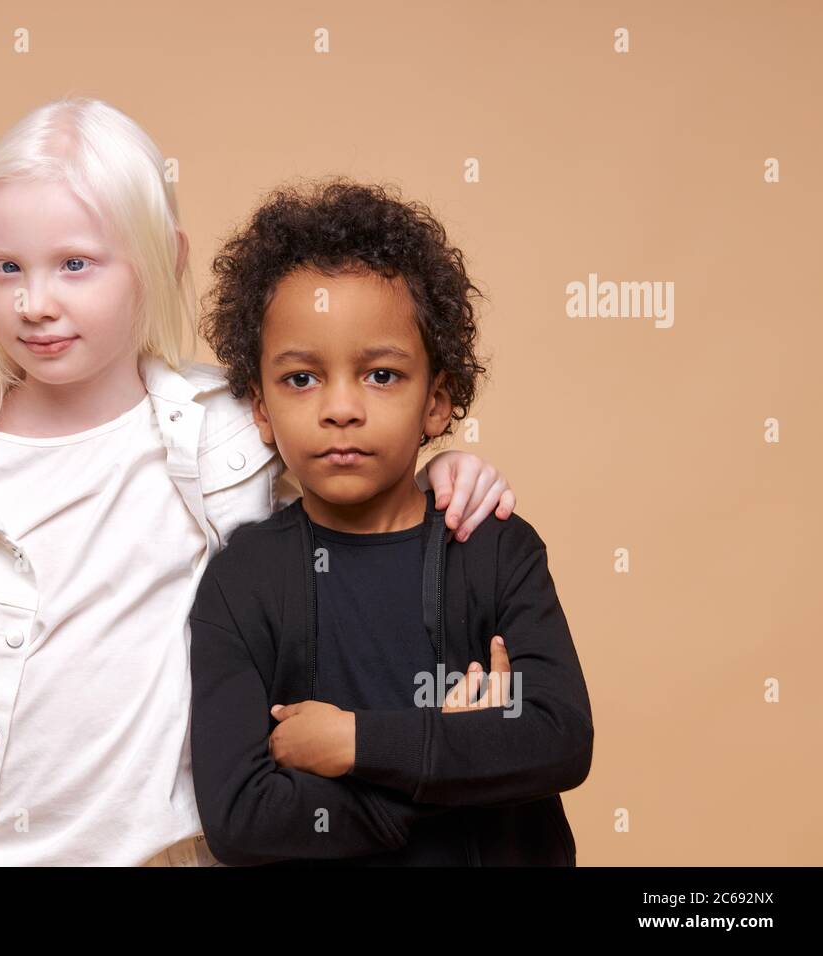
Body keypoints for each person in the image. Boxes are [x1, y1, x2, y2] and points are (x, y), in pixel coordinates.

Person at [0, 99, 517, 866]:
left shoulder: (236, 431)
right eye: (6, 268)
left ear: (164, 257)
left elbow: (357, 497)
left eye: (75, 263)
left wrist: (439, 471)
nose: (35, 303)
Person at [190, 178, 593, 865]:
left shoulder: (493, 547)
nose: (340, 408)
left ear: (437, 402)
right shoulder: (243, 581)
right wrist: (451, 756)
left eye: (380, 375)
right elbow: (241, 819)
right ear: (259, 408)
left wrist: (354, 745)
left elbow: (557, 739)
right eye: (300, 379)